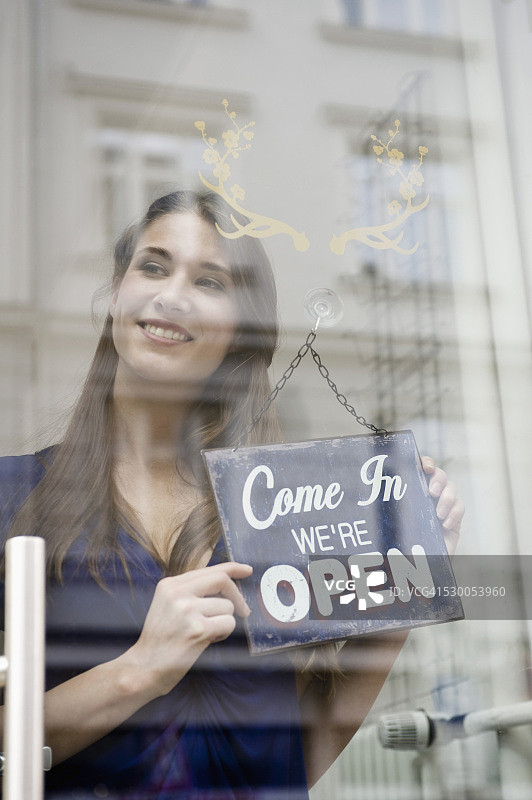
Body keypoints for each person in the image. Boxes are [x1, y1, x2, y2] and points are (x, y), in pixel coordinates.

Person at [0, 190, 464, 799]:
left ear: (241, 332)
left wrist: (405, 586)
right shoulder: (15, 498)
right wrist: (140, 669)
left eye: (210, 282)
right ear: (117, 292)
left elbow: (296, 761)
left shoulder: (278, 515)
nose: (171, 295)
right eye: (154, 266)